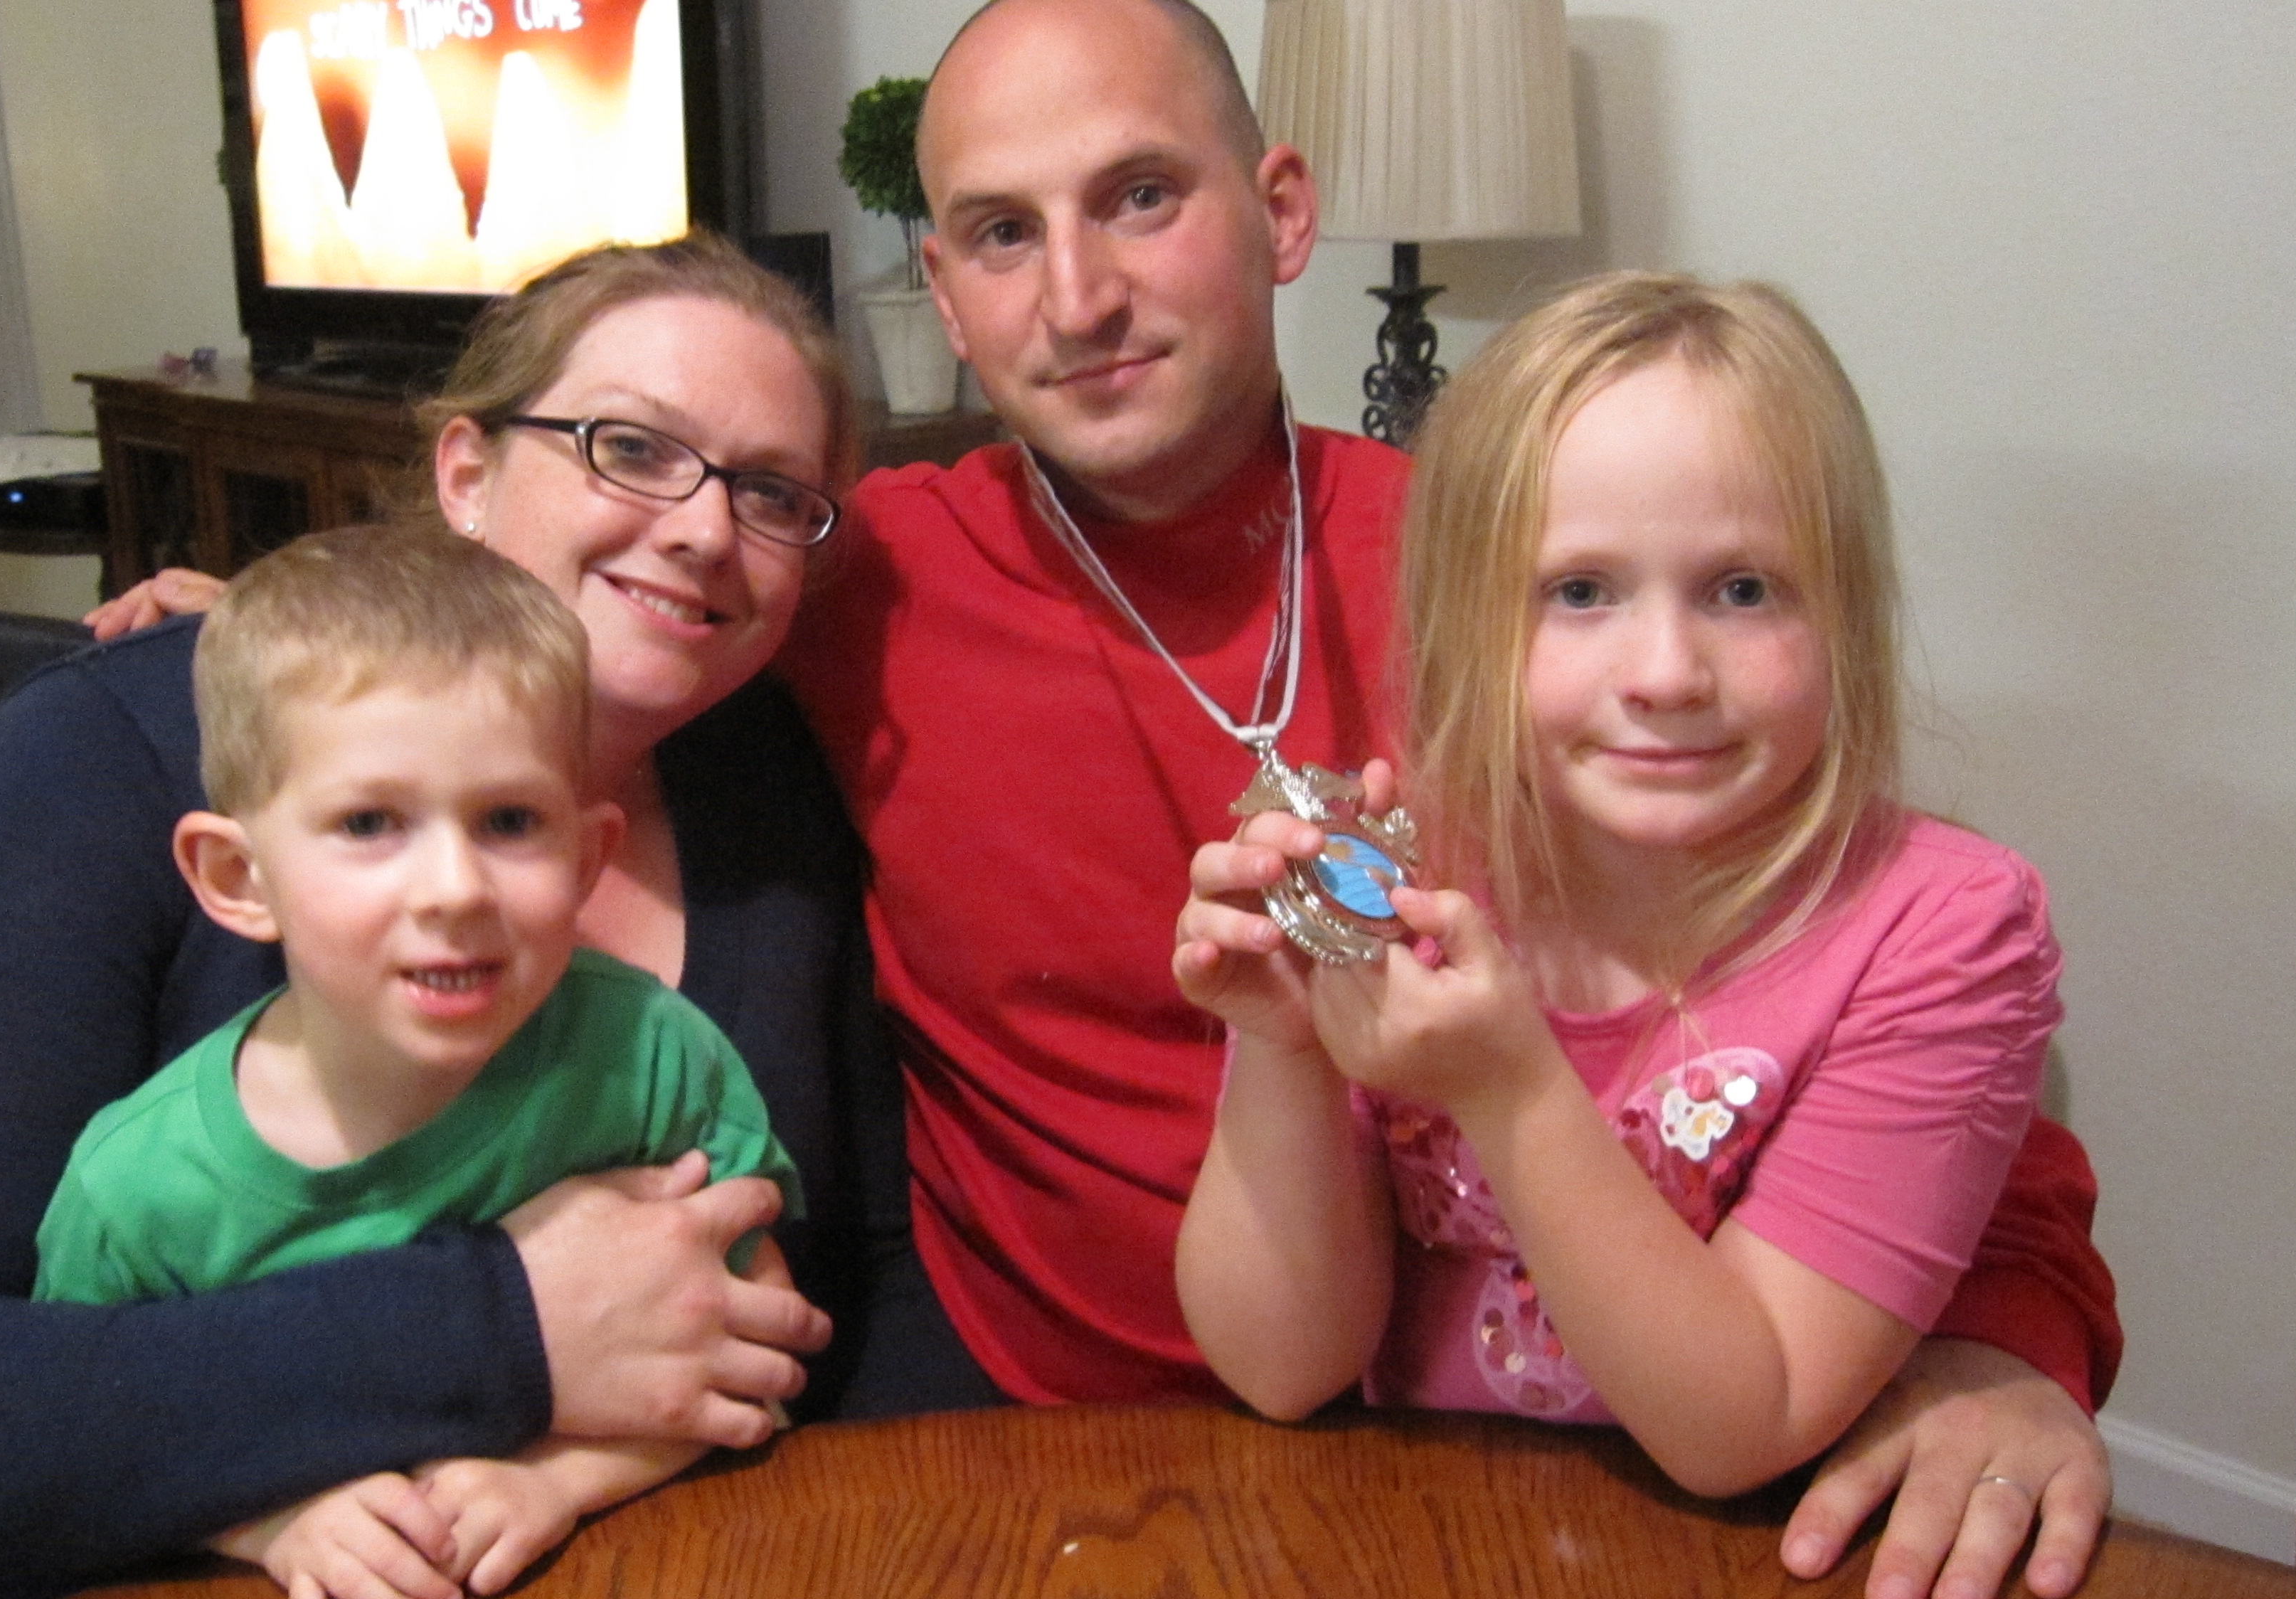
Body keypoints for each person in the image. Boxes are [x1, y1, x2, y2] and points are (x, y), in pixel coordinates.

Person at [768, 4, 2120, 1597]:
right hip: (1043, 1423)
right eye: (1004, 233)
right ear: (941, 288)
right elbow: (553, 693)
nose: (1079, 296)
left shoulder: (1534, 575)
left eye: (1141, 196)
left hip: (1550, 1455)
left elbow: (1842, 967)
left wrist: (2002, 1336)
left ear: (1281, 212)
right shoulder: (846, 582)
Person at [0, 236, 961, 1597]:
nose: (705, 529)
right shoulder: (104, 764)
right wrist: (513, 1326)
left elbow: (856, 1275)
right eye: (631, 448)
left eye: (770, 493)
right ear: (466, 475)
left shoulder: (760, 782)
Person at [1172, 273, 2058, 1509]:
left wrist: (1509, 1088)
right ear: (1470, 625)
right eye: (1580, 592)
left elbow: (1744, 1424)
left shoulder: (1944, 930)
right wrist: (1283, 1050)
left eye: (1743, 590)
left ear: (1844, 614)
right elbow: (1280, 1368)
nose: (1667, 672)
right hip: (1404, 1529)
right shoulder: (1397, 873)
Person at [31, 526, 805, 1599]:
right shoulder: (132, 1193)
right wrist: (270, 1523)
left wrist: (558, 1481)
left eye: (509, 820)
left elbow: (756, 1351)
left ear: (587, 855)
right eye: (368, 822)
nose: (454, 889)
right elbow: (80, 1464)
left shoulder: (652, 1058)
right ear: (238, 876)